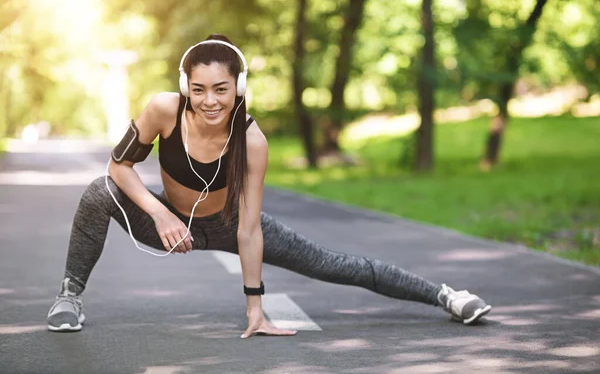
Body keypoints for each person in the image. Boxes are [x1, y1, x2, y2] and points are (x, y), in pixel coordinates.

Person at [47, 34, 492, 338]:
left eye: (221, 89)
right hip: (168, 223)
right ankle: (69, 297)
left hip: (228, 223)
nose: (209, 101)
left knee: (332, 264)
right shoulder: (163, 109)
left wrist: (255, 311)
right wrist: (161, 214)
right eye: (198, 89)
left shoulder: (252, 140)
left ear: (239, 87)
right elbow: (118, 167)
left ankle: (447, 296)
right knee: (96, 192)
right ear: (185, 86)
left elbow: (249, 230)